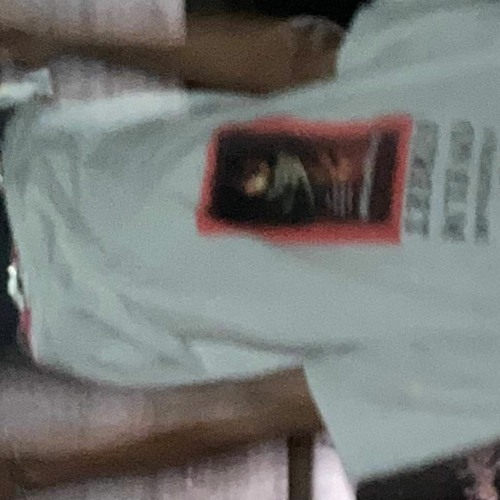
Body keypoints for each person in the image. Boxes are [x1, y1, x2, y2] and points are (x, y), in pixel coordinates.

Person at [3, 1, 500, 500]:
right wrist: (37, 471)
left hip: (58, 162)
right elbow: (266, 405)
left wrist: (56, 35)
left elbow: (299, 55)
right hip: (71, 303)